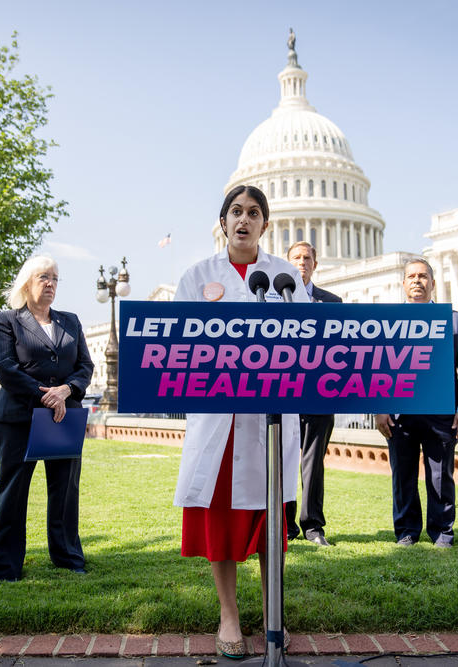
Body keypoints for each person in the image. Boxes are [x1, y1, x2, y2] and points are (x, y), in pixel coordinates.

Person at [175, 185, 308, 659]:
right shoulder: (197, 276)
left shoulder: (285, 276)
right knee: (223, 517)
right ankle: (228, 615)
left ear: (265, 225)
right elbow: (179, 345)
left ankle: (274, 613)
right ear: (223, 222)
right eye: (236, 212)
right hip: (221, 419)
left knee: (271, 515)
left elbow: (305, 341)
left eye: (254, 213)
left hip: (268, 418)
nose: (245, 220)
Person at [0, 254, 93, 581]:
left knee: (65, 492)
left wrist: (66, 391)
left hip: (65, 417)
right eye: (44, 277)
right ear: (27, 283)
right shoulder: (7, 320)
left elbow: (84, 367)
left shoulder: (71, 321)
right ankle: (6, 566)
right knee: (14, 492)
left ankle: (67, 557)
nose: (51, 284)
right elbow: (5, 367)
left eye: (55, 278)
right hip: (19, 418)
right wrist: (45, 395)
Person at [374, 258, 458, 548]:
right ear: (403, 284)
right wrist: (380, 408)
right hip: (399, 414)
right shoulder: (389, 321)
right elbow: (379, 365)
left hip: (441, 413)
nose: (417, 281)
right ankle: (406, 531)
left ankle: (442, 532)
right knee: (403, 475)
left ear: (432, 283)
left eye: (423, 276)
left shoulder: (453, 319)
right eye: (411, 277)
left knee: (440, 476)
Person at [283, 241, 341, 547]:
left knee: (313, 462)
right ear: (287, 264)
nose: (302, 262)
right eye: (296, 258)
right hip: (284, 395)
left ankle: (313, 526)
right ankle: (286, 525)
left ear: (315, 264)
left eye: (307, 258)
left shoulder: (332, 302)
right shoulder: (271, 302)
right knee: (285, 461)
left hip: (319, 394)